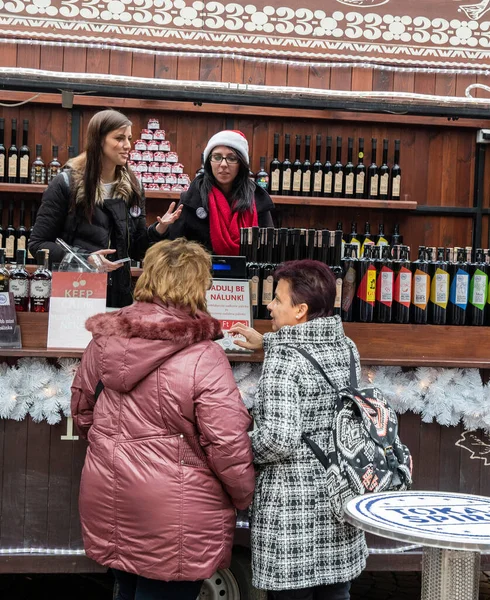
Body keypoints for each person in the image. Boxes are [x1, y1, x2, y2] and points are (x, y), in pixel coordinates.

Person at [71, 238, 255, 600]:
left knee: (126, 586)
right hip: (177, 513)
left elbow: (81, 410)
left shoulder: (103, 340)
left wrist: (114, 450)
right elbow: (227, 443)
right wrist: (243, 494)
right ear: (196, 287)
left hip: (111, 495)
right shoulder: (205, 356)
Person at [229, 260, 368, 600]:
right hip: (339, 502)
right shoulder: (347, 348)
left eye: (277, 299)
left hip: (293, 516)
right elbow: (310, 354)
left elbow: (279, 439)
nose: (269, 305)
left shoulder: (284, 360)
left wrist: (235, 448)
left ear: (300, 310)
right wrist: (268, 343)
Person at [28, 109, 181, 307]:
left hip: (119, 297)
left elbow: (136, 250)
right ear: (99, 140)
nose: (127, 146)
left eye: (129, 138)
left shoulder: (134, 187)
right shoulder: (66, 184)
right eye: (119, 138)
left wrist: (159, 230)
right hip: (75, 293)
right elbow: (38, 244)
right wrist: (85, 257)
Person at [159, 129, 274, 254]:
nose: (223, 164)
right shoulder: (192, 198)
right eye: (217, 157)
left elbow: (269, 249)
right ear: (209, 161)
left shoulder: (257, 199)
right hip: (202, 272)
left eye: (231, 158)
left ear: (241, 163)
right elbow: (174, 247)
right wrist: (162, 228)